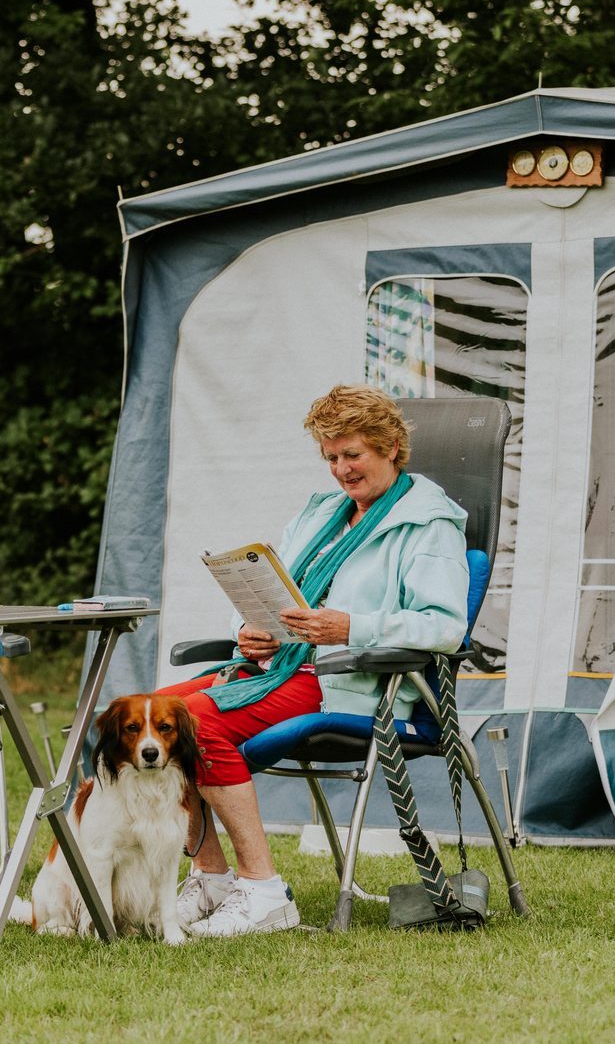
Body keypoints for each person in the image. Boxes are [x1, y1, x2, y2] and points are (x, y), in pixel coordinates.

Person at [157, 384, 470, 937]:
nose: (342, 470)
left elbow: (445, 626)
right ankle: (210, 878)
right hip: (281, 665)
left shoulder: (429, 523)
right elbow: (275, 595)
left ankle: (263, 890)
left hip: (349, 680)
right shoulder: (321, 514)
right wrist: (248, 631)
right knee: (151, 715)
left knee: (195, 721)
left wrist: (351, 626)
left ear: (391, 446)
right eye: (331, 457)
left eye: (353, 454)